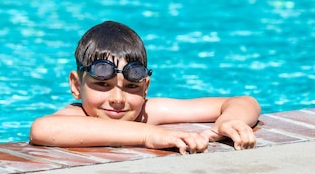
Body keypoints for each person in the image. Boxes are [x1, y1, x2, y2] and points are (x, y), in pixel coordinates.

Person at [29, 21, 261, 154]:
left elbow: (245, 102)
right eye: (102, 84)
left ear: (145, 87)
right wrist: (150, 135)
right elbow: (42, 129)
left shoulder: (147, 112)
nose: (118, 98)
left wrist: (230, 120)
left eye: (131, 86)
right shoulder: (74, 115)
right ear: (76, 85)